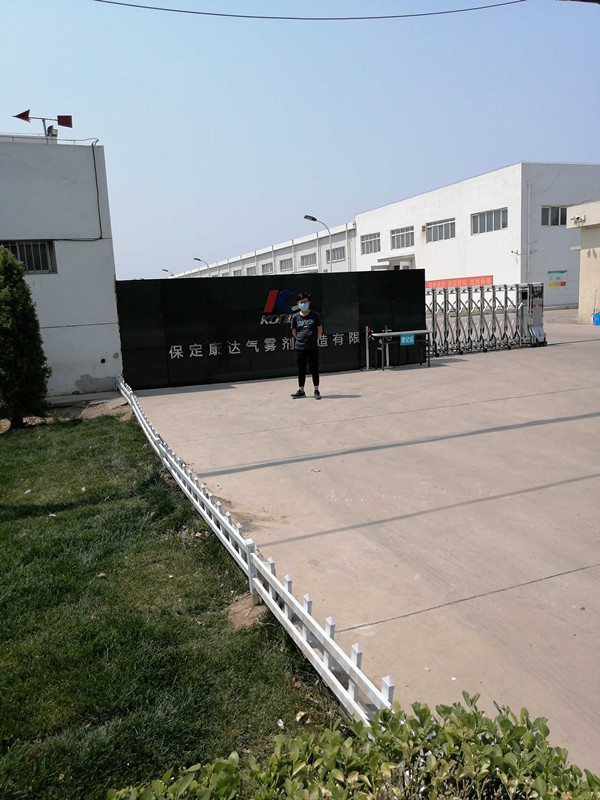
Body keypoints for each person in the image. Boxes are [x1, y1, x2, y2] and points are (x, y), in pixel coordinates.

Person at [290, 291, 323, 399]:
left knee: (314, 368)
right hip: (300, 347)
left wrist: (315, 339)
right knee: (301, 369)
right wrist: (300, 340)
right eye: (301, 302)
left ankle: (316, 390)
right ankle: (301, 391)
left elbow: (319, 329)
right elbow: (294, 331)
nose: (303, 304)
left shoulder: (315, 315)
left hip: (312, 346)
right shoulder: (295, 317)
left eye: (305, 302)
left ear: (309, 303)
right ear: (298, 304)